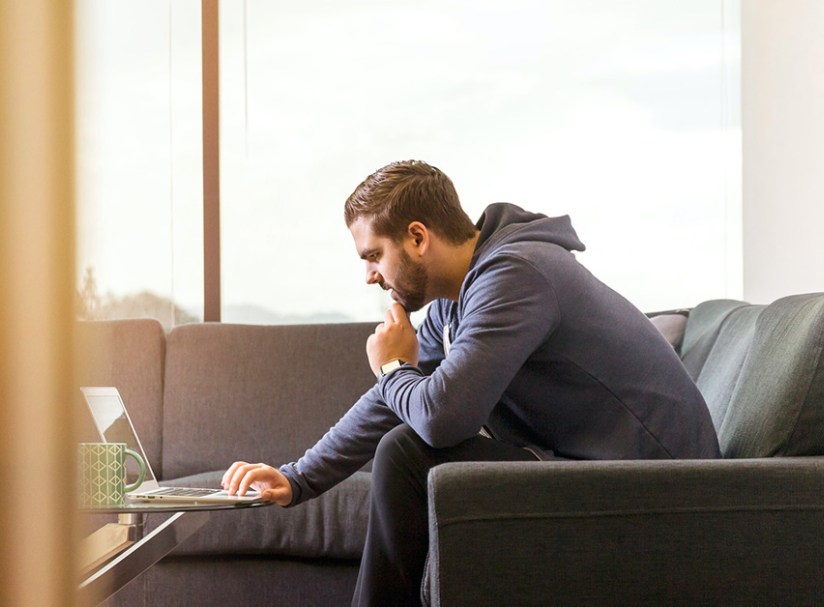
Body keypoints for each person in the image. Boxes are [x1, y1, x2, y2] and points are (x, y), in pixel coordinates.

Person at [221, 160, 721, 607]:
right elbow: (393, 404)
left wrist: (394, 368)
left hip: (661, 485)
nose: (370, 276)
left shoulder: (516, 276)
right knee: (404, 444)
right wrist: (298, 478)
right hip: (587, 467)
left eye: (374, 255)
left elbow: (441, 417)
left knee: (408, 453)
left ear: (418, 238)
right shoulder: (453, 300)